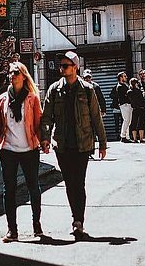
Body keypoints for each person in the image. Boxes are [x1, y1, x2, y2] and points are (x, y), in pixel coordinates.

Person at [40, 50, 107, 237]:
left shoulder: (87, 89)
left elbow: (96, 117)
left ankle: (79, 220)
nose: (62, 68)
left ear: (75, 67)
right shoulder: (54, 89)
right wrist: (44, 138)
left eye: (65, 65)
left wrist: (102, 142)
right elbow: (46, 117)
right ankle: (75, 217)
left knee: (79, 182)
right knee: (70, 183)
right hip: (62, 144)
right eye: (61, 65)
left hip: (82, 143)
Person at [0, 62, 43, 243]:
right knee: (8, 189)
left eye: (16, 72)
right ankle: (12, 229)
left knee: (33, 186)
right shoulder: (2, 99)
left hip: (29, 149)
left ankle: (36, 224)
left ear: (24, 75)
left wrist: (44, 141)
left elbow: (38, 124)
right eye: (10, 73)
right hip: (8, 149)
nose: (12, 75)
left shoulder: (32, 98)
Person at [112, 71, 132, 143]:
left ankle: (127, 136)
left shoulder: (124, 85)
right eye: (124, 76)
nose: (126, 77)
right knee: (126, 120)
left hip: (127, 104)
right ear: (121, 77)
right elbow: (127, 95)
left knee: (128, 121)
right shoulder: (120, 86)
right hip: (124, 105)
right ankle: (123, 136)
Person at [128, 77, 145, 142]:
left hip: (134, 109)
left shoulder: (129, 92)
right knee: (141, 123)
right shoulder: (139, 91)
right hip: (141, 108)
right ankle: (141, 138)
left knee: (134, 123)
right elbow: (142, 100)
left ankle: (135, 138)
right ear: (136, 83)